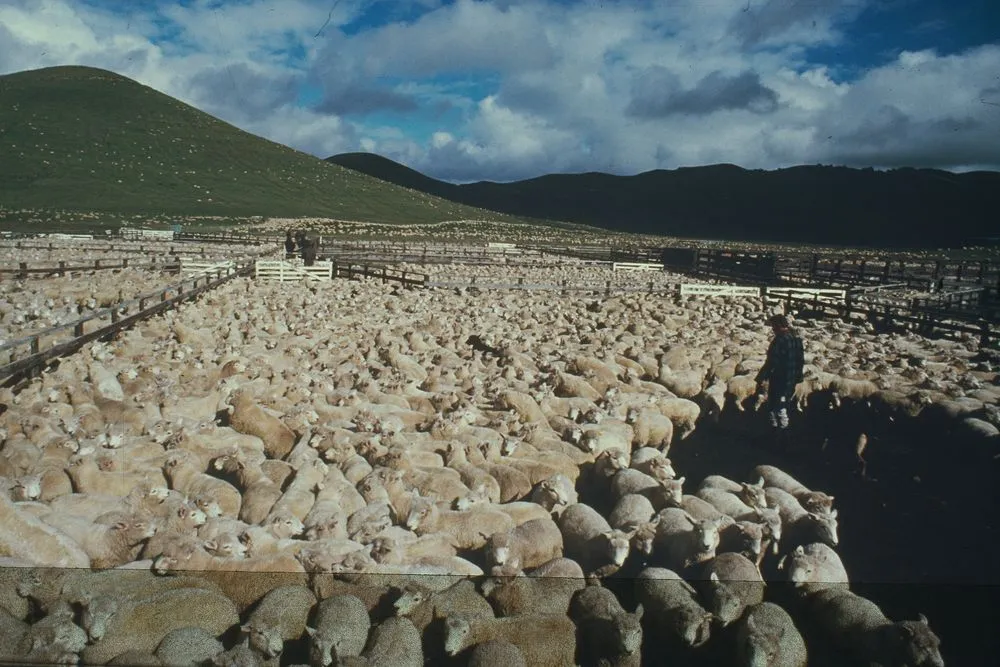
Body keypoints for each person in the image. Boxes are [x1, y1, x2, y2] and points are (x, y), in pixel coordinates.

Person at [754, 314, 805, 450]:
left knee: (776, 407)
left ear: (777, 325)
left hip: (780, 379)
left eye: (773, 326)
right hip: (791, 380)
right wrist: (798, 378)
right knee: (783, 405)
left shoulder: (780, 340)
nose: (772, 329)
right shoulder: (796, 340)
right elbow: (800, 361)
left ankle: (779, 437)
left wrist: (761, 377)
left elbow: (772, 361)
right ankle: (781, 436)